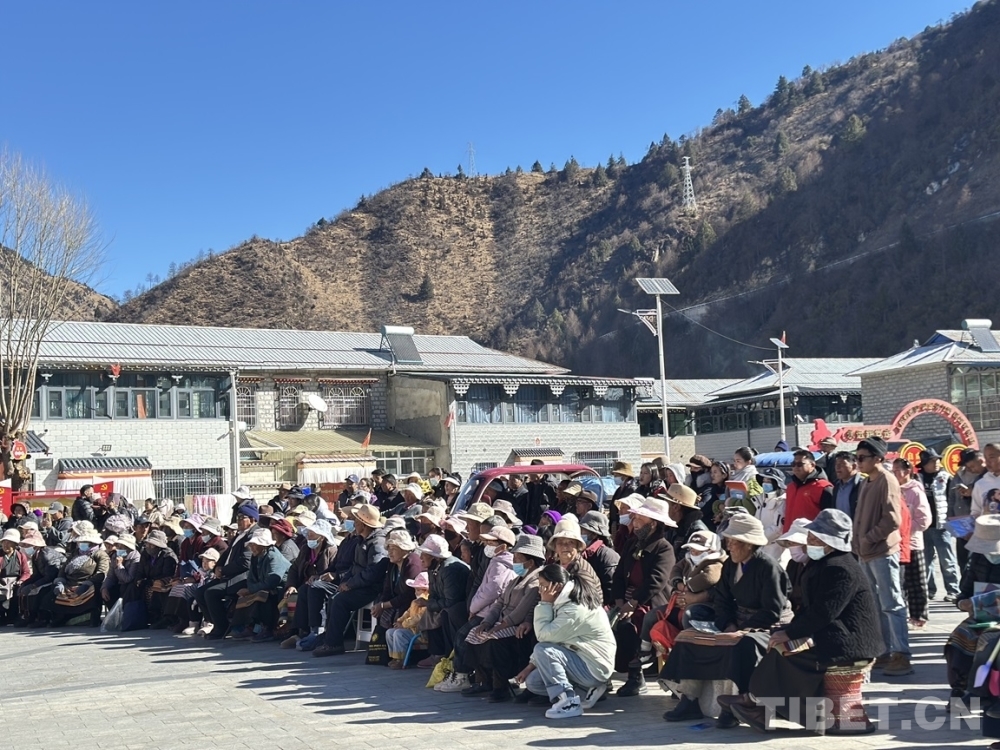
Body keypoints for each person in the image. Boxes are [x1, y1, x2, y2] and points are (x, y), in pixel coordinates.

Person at [725, 509, 882, 734]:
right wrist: (788, 630)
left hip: (849, 641)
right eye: (810, 537)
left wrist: (790, 634)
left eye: (815, 539)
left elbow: (823, 612)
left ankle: (757, 703)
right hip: (833, 633)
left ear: (829, 543)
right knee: (778, 648)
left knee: (788, 655)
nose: (809, 543)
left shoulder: (840, 568)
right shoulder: (823, 564)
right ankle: (758, 704)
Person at [661, 514, 790, 725]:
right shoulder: (731, 564)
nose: (728, 546)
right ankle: (689, 699)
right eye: (728, 541)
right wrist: (728, 623)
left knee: (740, 645)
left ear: (748, 544)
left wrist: (742, 628)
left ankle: (733, 708)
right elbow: (722, 599)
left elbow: (772, 610)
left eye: (733, 541)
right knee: (689, 637)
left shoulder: (768, 567)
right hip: (736, 620)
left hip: (766, 624)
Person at [516, 563, 616, 719]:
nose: (540, 590)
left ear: (556, 586)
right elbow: (554, 640)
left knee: (542, 649)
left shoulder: (575, 608)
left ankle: (569, 702)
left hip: (593, 666)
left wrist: (544, 604)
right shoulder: (563, 601)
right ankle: (585, 691)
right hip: (579, 657)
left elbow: (544, 636)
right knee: (534, 682)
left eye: (543, 585)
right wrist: (529, 667)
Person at [852, 437, 912, 676]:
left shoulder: (887, 480)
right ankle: (884, 650)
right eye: (856, 458)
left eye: (862, 458)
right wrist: (858, 542)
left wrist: (868, 538)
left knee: (892, 604)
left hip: (882, 552)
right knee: (875, 605)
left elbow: (892, 519)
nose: (858, 462)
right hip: (865, 553)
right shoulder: (867, 481)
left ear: (877, 458)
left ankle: (902, 654)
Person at [463, 533, 546, 702]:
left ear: (530, 562)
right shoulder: (516, 579)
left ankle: (500, 687)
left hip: (517, 625)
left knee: (495, 641)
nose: (514, 561)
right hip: (502, 622)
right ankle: (484, 680)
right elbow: (499, 603)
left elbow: (520, 612)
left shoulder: (534, 582)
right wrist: (487, 622)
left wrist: (498, 627)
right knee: (473, 634)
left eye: (518, 558)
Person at [437, 525, 518, 694]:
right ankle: (480, 679)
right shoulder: (496, 561)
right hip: (486, 609)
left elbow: (492, 590)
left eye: (491, 542)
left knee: (462, 636)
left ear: (503, 545)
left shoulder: (501, 563)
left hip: (489, 611)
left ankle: (462, 676)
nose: (486, 545)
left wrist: (474, 607)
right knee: (469, 637)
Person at [612, 497, 677, 697]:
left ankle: (636, 676)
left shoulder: (664, 548)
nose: (635, 522)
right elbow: (619, 575)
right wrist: (620, 601)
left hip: (650, 602)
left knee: (630, 625)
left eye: (640, 519)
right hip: (627, 600)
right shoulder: (632, 543)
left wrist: (633, 603)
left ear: (653, 523)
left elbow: (656, 581)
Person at [313, 503, 389, 657]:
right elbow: (354, 566)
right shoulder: (363, 540)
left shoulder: (377, 543)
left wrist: (351, 584)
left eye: (356, 521)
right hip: (360, 584)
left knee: (340, 601)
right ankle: (329, 637)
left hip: (372, 588)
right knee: (334, 597)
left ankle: (334, 644)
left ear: (364, 524)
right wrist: (345, 582)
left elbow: (373, 573)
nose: (354, 523)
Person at [945, 515, 1000, 702]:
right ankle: (959, 690)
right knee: (959, 637)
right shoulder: (978, 558)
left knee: (988, 640)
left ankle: (980, 693)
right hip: (983, 617)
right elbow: (964, 593)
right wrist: (964, 603)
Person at [200, 504, 258, 639]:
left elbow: (246, 562)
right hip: (227, 575)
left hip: (242, 577)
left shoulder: (253, 535)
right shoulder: (240, 534)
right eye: (237, 518)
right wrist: (218, 567)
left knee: (211, 593)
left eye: (241, 518)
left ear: (252, 519)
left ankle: (221, 627)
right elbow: (227, 553)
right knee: (199, 592)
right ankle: (217, 623)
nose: (238, 521)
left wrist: (224, 570)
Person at [281, 519, 340, 649]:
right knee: (298, 591)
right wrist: (291, 585)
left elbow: (334, 571)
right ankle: (298, 631)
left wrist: (318, 577)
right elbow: (294, 568)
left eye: (312, 535)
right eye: (308, 534)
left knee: (309, 589)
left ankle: (314, 631)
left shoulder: (331, 551)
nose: (309, 537)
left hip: (324, 585)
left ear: (322, 537)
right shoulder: (306, 549)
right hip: (307, 584)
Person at [417, 533, 471, 669]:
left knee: (446, 613)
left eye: (424, 554)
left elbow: (451, 601)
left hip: (462, 608)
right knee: (432, 610)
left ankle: (448, 656)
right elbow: (433, 594)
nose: (420, 558)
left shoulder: (450, 569)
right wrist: (430, 603)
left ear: (435, 557)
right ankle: (437, 653)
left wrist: (429, 604)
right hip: (446, 604)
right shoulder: (433, 568)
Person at [229, 528, 292, 642]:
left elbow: (272, 581)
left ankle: (267, 629)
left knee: (263, 595)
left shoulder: (273, 557)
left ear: (263, 546)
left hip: (279, 589)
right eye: (251, 545)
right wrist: (250, 588)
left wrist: (251, 590)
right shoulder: (256, 557)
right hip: (263, 586)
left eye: (254, 545)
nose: (251, 548)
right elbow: (251, 577)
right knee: (246, 596)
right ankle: (251, 626)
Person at [893, 458, 932, 628]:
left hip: (913, 543)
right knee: (900, 582)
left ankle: (919, 616)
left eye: (897, 470)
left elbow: (924, 520)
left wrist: (905, 530)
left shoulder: (915, 491)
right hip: (896, 544)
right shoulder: (893, 489)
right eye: (893, 470)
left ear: (907, 471)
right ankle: (903, 615)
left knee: (917, 582)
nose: (894, 473)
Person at [919, 449, 960, 602]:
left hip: (942, 525)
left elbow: (953, 499)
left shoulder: (946, 477)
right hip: (923, 527)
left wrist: (951, 520)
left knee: (947, 559)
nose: (936, 463)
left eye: (937, 460)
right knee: (926, 560)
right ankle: (929, 590)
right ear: (924, 464)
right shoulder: (917, 478)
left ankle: (953, 590)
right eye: (932, 461)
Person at [47, 529, 110, 627]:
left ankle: (92, 618)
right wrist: (60, 582)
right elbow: (63, 569)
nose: (80, 544)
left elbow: (102, 572)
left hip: (87, 584)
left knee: (94, 589)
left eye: (84, 542)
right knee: (53, 591)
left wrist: (87, 584)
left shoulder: (100, 554)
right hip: (69, 583)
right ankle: (59, 618)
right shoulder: (75, 553)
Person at [372, 529, 422, 634]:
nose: (389, 552)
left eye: (393, 549)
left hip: (410, 606)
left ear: (404, 549)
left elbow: (409, 594)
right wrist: (381, 604)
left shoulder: (412, 563)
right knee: (380, 609)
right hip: (396, 603)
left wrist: (384, 605)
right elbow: (387, 589)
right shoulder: (392, 564)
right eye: (388, 549)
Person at [133, 530, 180, 629]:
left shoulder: (168, 556)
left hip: (164, 581)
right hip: (149, 579)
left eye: (152, 545)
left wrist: (149, 582)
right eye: (148, 544)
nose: (149, 547)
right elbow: (140, 570)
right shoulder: (145, 554)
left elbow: (168, 574)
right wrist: (139, 579)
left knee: (157, 585)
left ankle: (162, 617)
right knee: (133, 586)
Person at [952, 448, 987, 570]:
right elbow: (951, 498)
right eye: (967, 466)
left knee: (977, 560)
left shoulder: (985, 477)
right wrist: (950, 517)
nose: (970, 469)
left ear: (981, 461)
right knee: (962, 558)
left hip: (977, 521)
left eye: (972, 466)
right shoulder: (958, 475)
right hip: (960, 519)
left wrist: (971, 493)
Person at [386, 571, 430, 668]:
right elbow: (408, 613)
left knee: (399, 634)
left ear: (426, 591)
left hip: (421, 633)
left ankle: (401, 659)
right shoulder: (415, 602)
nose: (415, 592)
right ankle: (394, 657)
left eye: (418, 590)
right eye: (415, 590)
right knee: (390, 632)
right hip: (410, 629)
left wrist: (403, 624)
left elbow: (418, 618)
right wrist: (400, 620)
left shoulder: (427, 603)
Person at [783, 449, 834, 532]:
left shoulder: (823, 487)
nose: (796, 467)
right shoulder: (790, 487)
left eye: (800, 464)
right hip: (789, 536)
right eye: (793, 464)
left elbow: (829, 519)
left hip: (810, 536)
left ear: (812, 465)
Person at [579, 511, 620, 606]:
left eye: (583, 530)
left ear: (594, 534)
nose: (580, 534)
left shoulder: (608, 556)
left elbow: (610, 590)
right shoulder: (582, 553)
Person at [661, 483, 708, 559]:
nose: (662, 507)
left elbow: (686, 561)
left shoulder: (697, 533)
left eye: (666, 504)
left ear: (676, 507)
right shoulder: (671, 525)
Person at [0, 529, 31, 624]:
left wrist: (21, 580)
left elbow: (26, 572)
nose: (5, 545)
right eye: (4, 542)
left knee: (16, 594)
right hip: (1, 582)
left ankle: (12, 617)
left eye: (9, 543)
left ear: (14, 544)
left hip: (15, 582)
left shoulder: (20, 556)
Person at [757, 470, 788, 562]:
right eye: (764, 480)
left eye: (769, 481)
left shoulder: (782, 502)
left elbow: (778, 529)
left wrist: (758, 538)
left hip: (775, 548)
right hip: (759, 546)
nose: (765, 483)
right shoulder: (759, 499)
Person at [827, 451, 864, 518]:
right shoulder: (837, 486)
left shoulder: (863, 484)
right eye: (836, 464)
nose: (837, 467)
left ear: (854, 466)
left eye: (842, 464)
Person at [971, 444, 1000, 518]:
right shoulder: (980, 484)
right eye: (985, 458)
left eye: (991, 457)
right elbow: (976, 512)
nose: (988, 461)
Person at [702, 461, 730, 532]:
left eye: (715, 472)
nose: (712, 475)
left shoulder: (729, 490)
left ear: (724, 475)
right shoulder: (709, 489)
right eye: (711, 472)